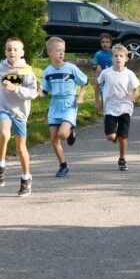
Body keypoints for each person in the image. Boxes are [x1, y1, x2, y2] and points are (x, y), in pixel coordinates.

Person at [0, 36, 38, 196]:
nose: (12, 52)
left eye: (15, 49)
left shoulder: (26, 71)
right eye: (9, 49)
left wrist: (15, 89)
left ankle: (26, 178)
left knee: (21, 149)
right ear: (5, 51)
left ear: (22, 52)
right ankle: (0, 166)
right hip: (3, 108)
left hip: (20, 113)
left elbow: (32, 93)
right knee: (4, 133)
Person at [40, 36, 88, 178]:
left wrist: (81, 96)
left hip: (69, 104)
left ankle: (71, 130)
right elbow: (44, 92)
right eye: (58, 51)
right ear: (49, 53)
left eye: (63, 51)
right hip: (55, 105)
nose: (61, 53)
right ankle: (63, 165)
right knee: (54, 139)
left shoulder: (71, 68)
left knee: (62, 134)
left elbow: (85, 82)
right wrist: (39, 92)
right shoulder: (47, 71)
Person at [98, 44, 140, 170]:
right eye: (116, 56)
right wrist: (97, 101)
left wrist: (133, 96)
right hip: (110, 107)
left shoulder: (129, 74)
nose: (118, 58)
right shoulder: (106, 73)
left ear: (126, 59)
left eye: (121, 56)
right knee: (110, 136)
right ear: (112, 58)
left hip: (125, 108)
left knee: (123, 136)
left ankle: (122, 159)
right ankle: (115, 135)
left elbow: (137, 90)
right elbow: (97, 84)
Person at [92, 32, 113, 110]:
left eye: (107, 42)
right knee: (104, 97)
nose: (105, 44)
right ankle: (105, 114)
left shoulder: (113, 53)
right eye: (103, 42)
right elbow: (93, 65)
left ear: (110, 44)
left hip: (112, 79)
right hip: (102, 79)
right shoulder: (98, 54)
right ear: (100, 43)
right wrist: (96, 66)